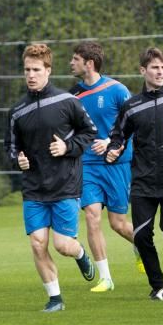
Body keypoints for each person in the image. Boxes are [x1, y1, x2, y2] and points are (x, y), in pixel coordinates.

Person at [6, 43, 99, 312]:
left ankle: (80, 253)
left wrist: (67, 147)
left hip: (65, 185)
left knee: (62, 245)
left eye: (36, 69)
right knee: (37, 244)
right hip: (34, 189)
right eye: (27, 70)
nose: (31, 75)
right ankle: (55, 298)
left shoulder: (68, 102)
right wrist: (17, 159)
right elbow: (10, 147)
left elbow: (89, 132)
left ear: (48, 70)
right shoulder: (17, 112)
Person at [106, 47, 163, 301]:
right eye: (154, 68)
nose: (160, 72)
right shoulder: (131, 106)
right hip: (142, 181)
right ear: (143, 71)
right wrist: (113, 149)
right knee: (142, 236)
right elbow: (118, 135)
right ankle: (158, 286)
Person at [69, 41, 139, 293]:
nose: (71, 63)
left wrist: (110, 143)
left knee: (118, 223)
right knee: (92, 216)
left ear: (89, 63)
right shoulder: (73, 95)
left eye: (75, 59)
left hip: (117, 163)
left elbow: (132, 123)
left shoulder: (117, 90)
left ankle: (141, 246)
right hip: (87, 164)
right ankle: (105, 278)